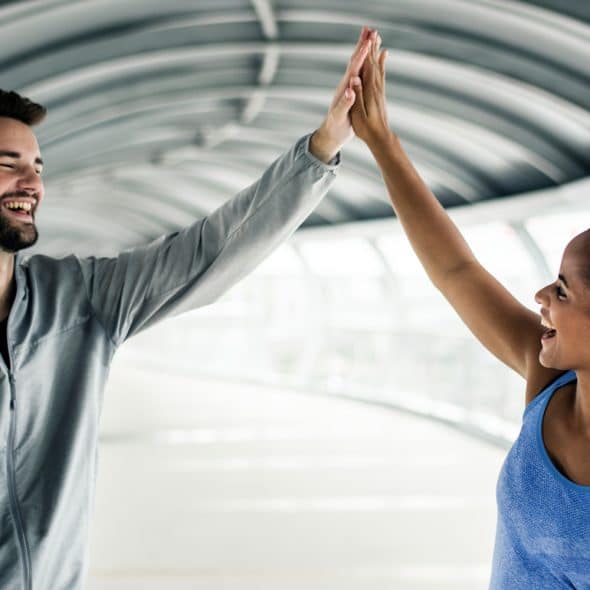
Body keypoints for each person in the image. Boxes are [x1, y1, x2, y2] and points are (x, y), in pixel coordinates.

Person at [0, 27, 377, 589]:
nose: (33, 182)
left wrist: (323, 146)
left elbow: (208, 252)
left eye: (39, 167)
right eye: (10, 163)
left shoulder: (79, 299)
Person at [350, 34, 590, 589]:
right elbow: (457, 271)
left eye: (562, 290)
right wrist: (382, 142)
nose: (540, 298)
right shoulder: (548, 376)